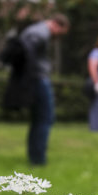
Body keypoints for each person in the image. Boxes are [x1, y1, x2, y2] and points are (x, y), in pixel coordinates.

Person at [19, 13, 69, 165]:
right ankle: (38, 158)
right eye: (59, 32)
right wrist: (36, 74)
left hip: (33, 79)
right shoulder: (41, 33)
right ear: (55, 24)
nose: (57, 36)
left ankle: (34, 156)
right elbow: (28, 54)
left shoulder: (35, 30)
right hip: (38, 79)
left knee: (37, 119)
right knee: (45, 118)